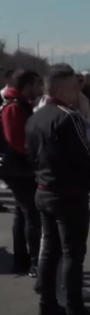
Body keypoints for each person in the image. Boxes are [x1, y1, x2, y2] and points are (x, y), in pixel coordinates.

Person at [26, 68, 90, 315]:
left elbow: (30, 154)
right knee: (72, 254)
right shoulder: (69, 116)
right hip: (69, 193)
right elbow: (87, 156)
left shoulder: (35, 117)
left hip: (43, 188)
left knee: (49, 250)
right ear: (59, 89)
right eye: (73, 86)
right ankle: (74, 308)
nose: (78, 90)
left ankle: (47, 305)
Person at [0, 69, 40, 276]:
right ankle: (34, 261)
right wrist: (35, 155)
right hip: (19, 169)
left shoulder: (18, 104)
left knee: (22, 214)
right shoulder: (14, 107)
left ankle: (21, 259)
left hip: (17, 167)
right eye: (36, 84)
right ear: (27, 85)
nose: (39, 89)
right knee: (31, 214)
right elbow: (16, 141)